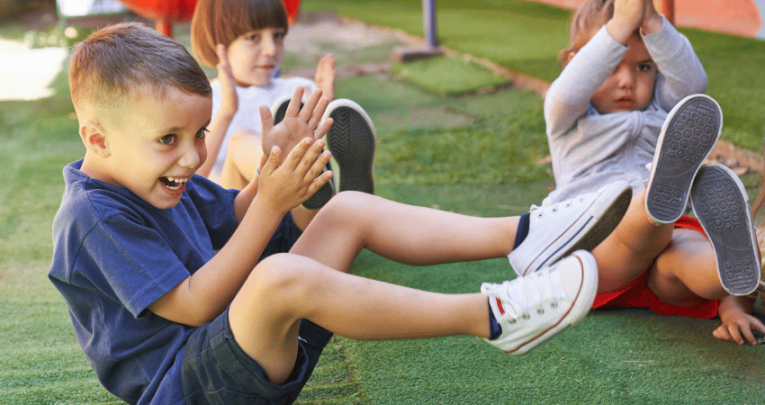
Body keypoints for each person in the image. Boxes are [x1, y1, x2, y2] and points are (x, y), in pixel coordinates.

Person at [49, 23, 633, 405]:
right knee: (276, 276)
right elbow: (194, 304)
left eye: (200, 134)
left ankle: (527, 235)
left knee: (346, 210)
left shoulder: (159, 182)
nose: (195, 155)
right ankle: (495, 315)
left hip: (242, 347)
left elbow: (230, 214)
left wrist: (271, 168)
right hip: (192, 384)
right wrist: (273, 204)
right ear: (96, 140)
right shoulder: (93, 217)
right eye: (168, 139)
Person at [542, 0, 765, 345]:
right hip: (595, 242)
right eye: (610, 66)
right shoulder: (570, 118)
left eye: (644, 67)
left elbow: (693, 84)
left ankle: (743, 260)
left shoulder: (664, 112)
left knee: (686, 254)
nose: (627, 81)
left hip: (660, 257)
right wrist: (622, 23)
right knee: (642, 220)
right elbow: (566, 91)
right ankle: (653, 201)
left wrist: (651, 20)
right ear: (578, 66)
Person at [190, 0, 375, 214]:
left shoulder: (297, 90)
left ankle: (337, 186)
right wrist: (226, 112)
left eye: (278, 36)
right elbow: (192, 180)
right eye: (253, 38)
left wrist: (324, 114)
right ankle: (301, 174)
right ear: (219, 44)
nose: (271, 50)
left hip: (297, 215)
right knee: (240, 141)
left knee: (310, 147)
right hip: (239, 221)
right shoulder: (208, 99)